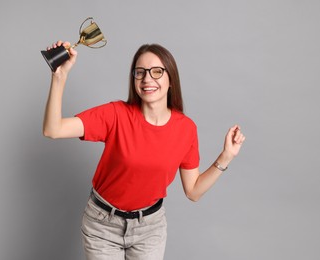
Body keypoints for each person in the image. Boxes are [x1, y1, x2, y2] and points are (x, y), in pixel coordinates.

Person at [43, 40, 246, 260]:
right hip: (102, 226)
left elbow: (194, 191)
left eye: (157, 72)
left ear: (171, 80)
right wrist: (59, 76)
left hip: (149, 229)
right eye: (140, 73)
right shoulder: (116, 114)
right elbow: (53, 129)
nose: (147, 79)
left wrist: (226, 157)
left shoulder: (186, 129)